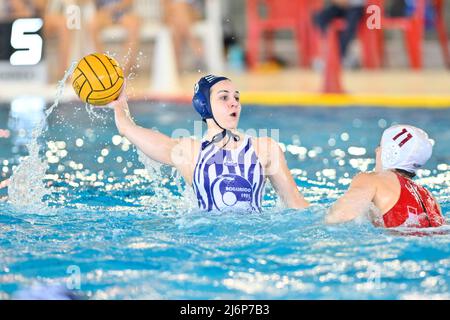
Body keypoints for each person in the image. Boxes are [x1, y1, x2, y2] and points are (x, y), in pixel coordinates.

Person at [111, 75, 309, 212]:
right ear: (204, 105)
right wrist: (119, 106)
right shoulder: (189, 152)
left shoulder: (265, 149)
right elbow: (128, 129)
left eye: (236, 97)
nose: (234, 103)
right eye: (224, 97)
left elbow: (296, 204)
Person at [326, 125, 445, 228]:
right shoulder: (430, 198)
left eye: (380, 145)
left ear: (391, 152)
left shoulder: (372, 179)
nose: (376, 150)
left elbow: (337, 217)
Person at [6, 0, 72, 80]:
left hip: (36, 14)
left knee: (63, 24)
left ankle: (63, 75)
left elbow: (41, 6)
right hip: (12, 14)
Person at [89, 0, 140, 75]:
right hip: (104, 14)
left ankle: (124, 68)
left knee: (134, 24)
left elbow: (129, 1)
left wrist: (114, 8)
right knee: (92, 25)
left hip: (123, 13)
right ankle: (103, 64)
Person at [313, 0, 366, 68]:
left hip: (355, 7)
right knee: (320, 17)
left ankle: (341, 56)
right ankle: (327, 53)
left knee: (349, 27)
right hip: (338, 6)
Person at [162, 0, 204, 72]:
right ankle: (196, 47)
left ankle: (176, 68)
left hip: (191, 13)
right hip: (172, 14)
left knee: (177, 26)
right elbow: (165, 6)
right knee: (179, 14)